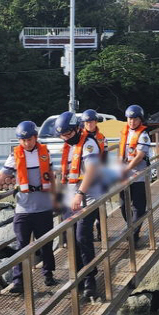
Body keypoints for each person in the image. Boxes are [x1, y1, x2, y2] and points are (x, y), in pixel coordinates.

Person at [0, 120, 57, 294]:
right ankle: (19, 281)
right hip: (23, 209)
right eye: (23, 140)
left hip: (43, 208)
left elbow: (50, 175)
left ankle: (48, 274)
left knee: (46, 244)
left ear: (35, 137)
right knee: (22, 245)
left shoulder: (44, 153)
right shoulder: (15, 156)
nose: (27, 143)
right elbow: (0, 176)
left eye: (30, 139)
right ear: (19, 140)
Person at [56, 111, 102, 300]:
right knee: (71, 238)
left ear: (76, 129)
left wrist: (80, 193)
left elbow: (91, 170)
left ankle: (90, 279)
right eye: (62, 135)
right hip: (70, 198)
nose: (66, 138)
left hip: (87, 196)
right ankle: (78, 277)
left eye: (68, 134)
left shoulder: (89, 144)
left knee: (83, 236)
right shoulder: (68, 147)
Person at [119, 104, 150, 244]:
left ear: (140, 120)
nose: (132, 121)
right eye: (129, 119)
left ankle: (133, 234)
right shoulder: (125, 132)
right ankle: (130, 228)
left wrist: (127, 169)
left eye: (135, 119)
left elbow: (139, 156)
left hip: (138, 176)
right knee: (123, 205)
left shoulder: (143, 135)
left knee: (138, 206)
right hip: (124, 176)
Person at [81, 109, 109, 240]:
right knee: (85, 207)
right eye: (86, 122)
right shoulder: (80, 137)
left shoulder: (102, 138)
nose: (89, 124)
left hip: (99, 176)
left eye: (91, 121)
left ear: (95, 122)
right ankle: (88, 232)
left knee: (100, 205)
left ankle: (101, 231)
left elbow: (105, 157)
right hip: (83, 177)